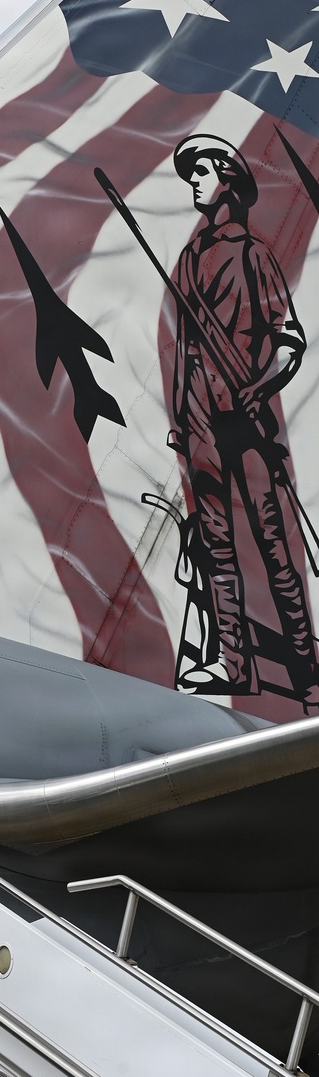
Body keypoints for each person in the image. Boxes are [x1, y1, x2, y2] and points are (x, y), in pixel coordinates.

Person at [169, 133, 319, 704]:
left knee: (276, 548)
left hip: (246, 422)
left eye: (203, 172)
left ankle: (307, 673)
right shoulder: (186, 260)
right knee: (215, 549)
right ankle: (236, 667)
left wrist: (257, 393)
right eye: (192, 174)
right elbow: (185, 348)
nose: (195, 182)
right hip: (201, 424)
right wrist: (184, 419)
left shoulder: (255, 255)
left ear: (228, 178)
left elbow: (289, 341)